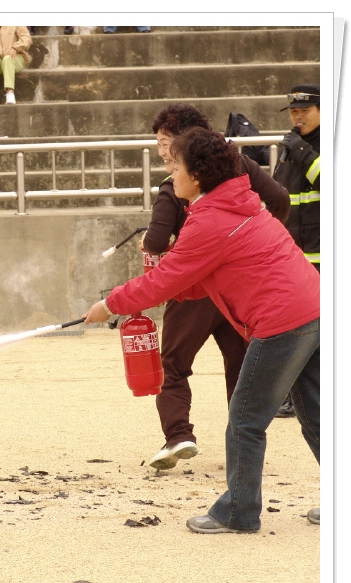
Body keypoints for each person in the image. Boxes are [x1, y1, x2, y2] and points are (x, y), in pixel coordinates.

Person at [83, 127, 320, 534]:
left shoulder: (209, 219)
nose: (170, 174)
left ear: (197, 176)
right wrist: (151, 294)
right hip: (313, 308)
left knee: (245, 419)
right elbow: (196, 276)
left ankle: (238, 512)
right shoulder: (235, 202)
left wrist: (110, 304)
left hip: (283, 321)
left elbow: (167, 278)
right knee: (316, 411)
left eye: (176, 166)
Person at [141, 103, 290, 470]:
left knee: (173, 365)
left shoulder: (174, 186)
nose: (161, 152)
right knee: (240, 366)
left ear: (184, 143)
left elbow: (157, 241)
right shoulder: (238, 166)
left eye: (165, 143)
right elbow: (280, 200)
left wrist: (150, 241)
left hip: (193, 287)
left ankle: (178, 435)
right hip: (237, 288)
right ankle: (242, 442)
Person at [271, 83, 321, 420]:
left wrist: (304, 153)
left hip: (325, 255)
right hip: (293, 258)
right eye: (292, 111)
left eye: (303, 111)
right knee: (295, 330)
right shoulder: (290, 147)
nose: (296, 117)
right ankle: (292, 394)